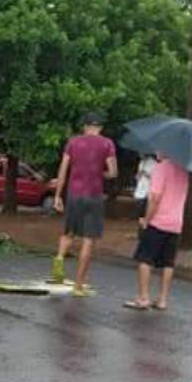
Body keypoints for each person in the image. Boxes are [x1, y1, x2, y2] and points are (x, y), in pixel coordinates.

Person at [51, 112, 118, 296]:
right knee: (88, 239)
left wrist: (58, 195)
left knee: (68, 232)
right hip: (94, 196)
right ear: (100, 128)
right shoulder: (107, 144)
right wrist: (101, 173)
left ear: (85, 126)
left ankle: (59, 259)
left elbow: (63, 169)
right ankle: (78, 286)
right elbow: (113, 172)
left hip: (74, 193)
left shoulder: (73, 142)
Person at [126, 152, 188, 312]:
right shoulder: (183, 170)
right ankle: (162, 299)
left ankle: (143, 297)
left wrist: (146, 219)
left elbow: (155, 198)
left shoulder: (161, 169)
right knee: (168, 262)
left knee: (145, 259)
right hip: (176, 223)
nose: (156, 152)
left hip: (158, 221)